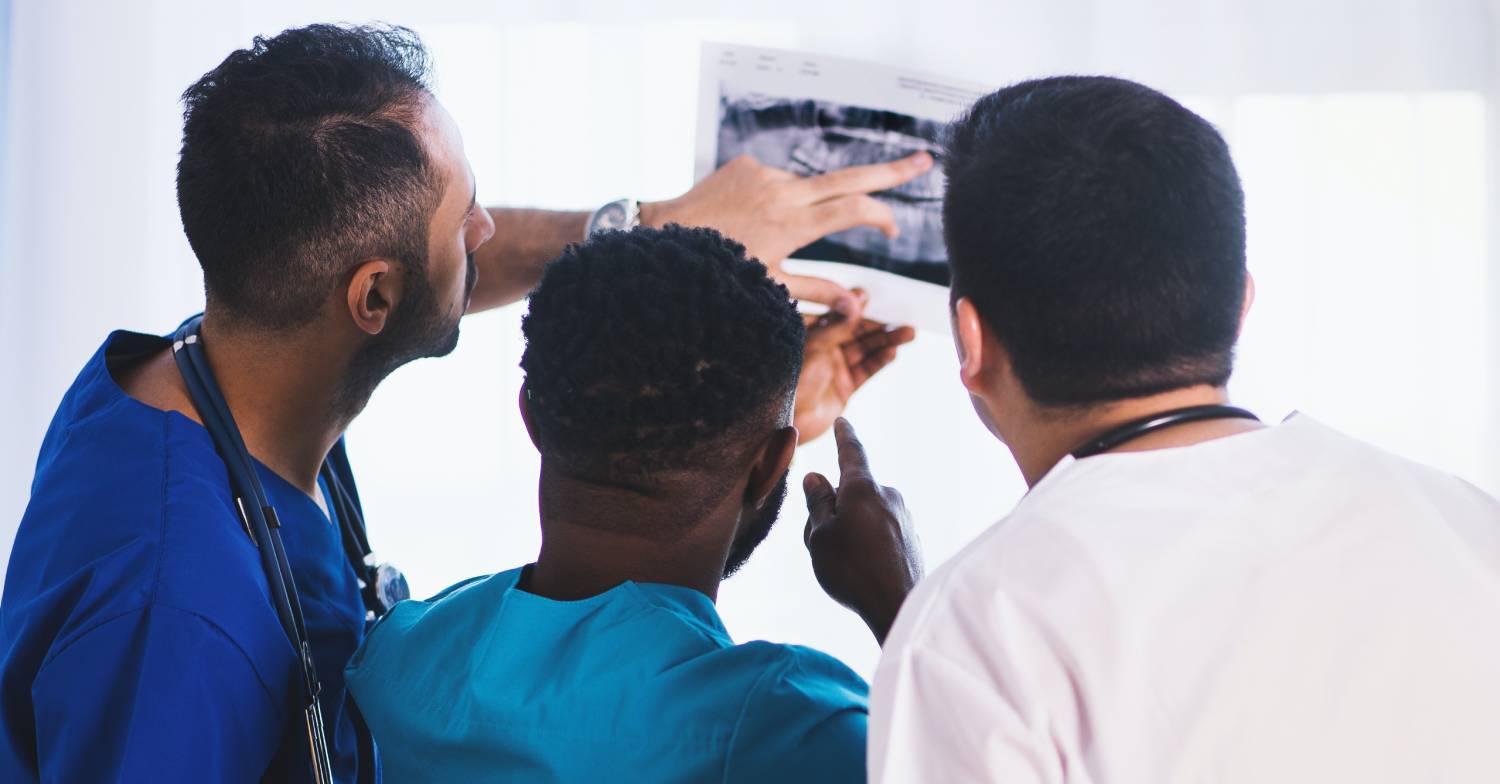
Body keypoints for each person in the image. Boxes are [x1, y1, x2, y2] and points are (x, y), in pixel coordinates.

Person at [0, 24, 924, 783]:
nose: (487, 232)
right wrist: (903, 607)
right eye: (466, 216)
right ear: (373, 299)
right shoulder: (175, 617)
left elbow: (422, 276)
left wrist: (706, 398)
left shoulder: (218, 360)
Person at [803, 76, 1500, 782]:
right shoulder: (1470, 524)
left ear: (970, 339)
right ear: (1240, 306)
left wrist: (928, 629)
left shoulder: (981, 621)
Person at [345, 225, 923, 783]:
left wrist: (753, 443)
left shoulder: (400, 654)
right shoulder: (787, 727)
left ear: (532, 416)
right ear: (774, 464)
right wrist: (905, 604)